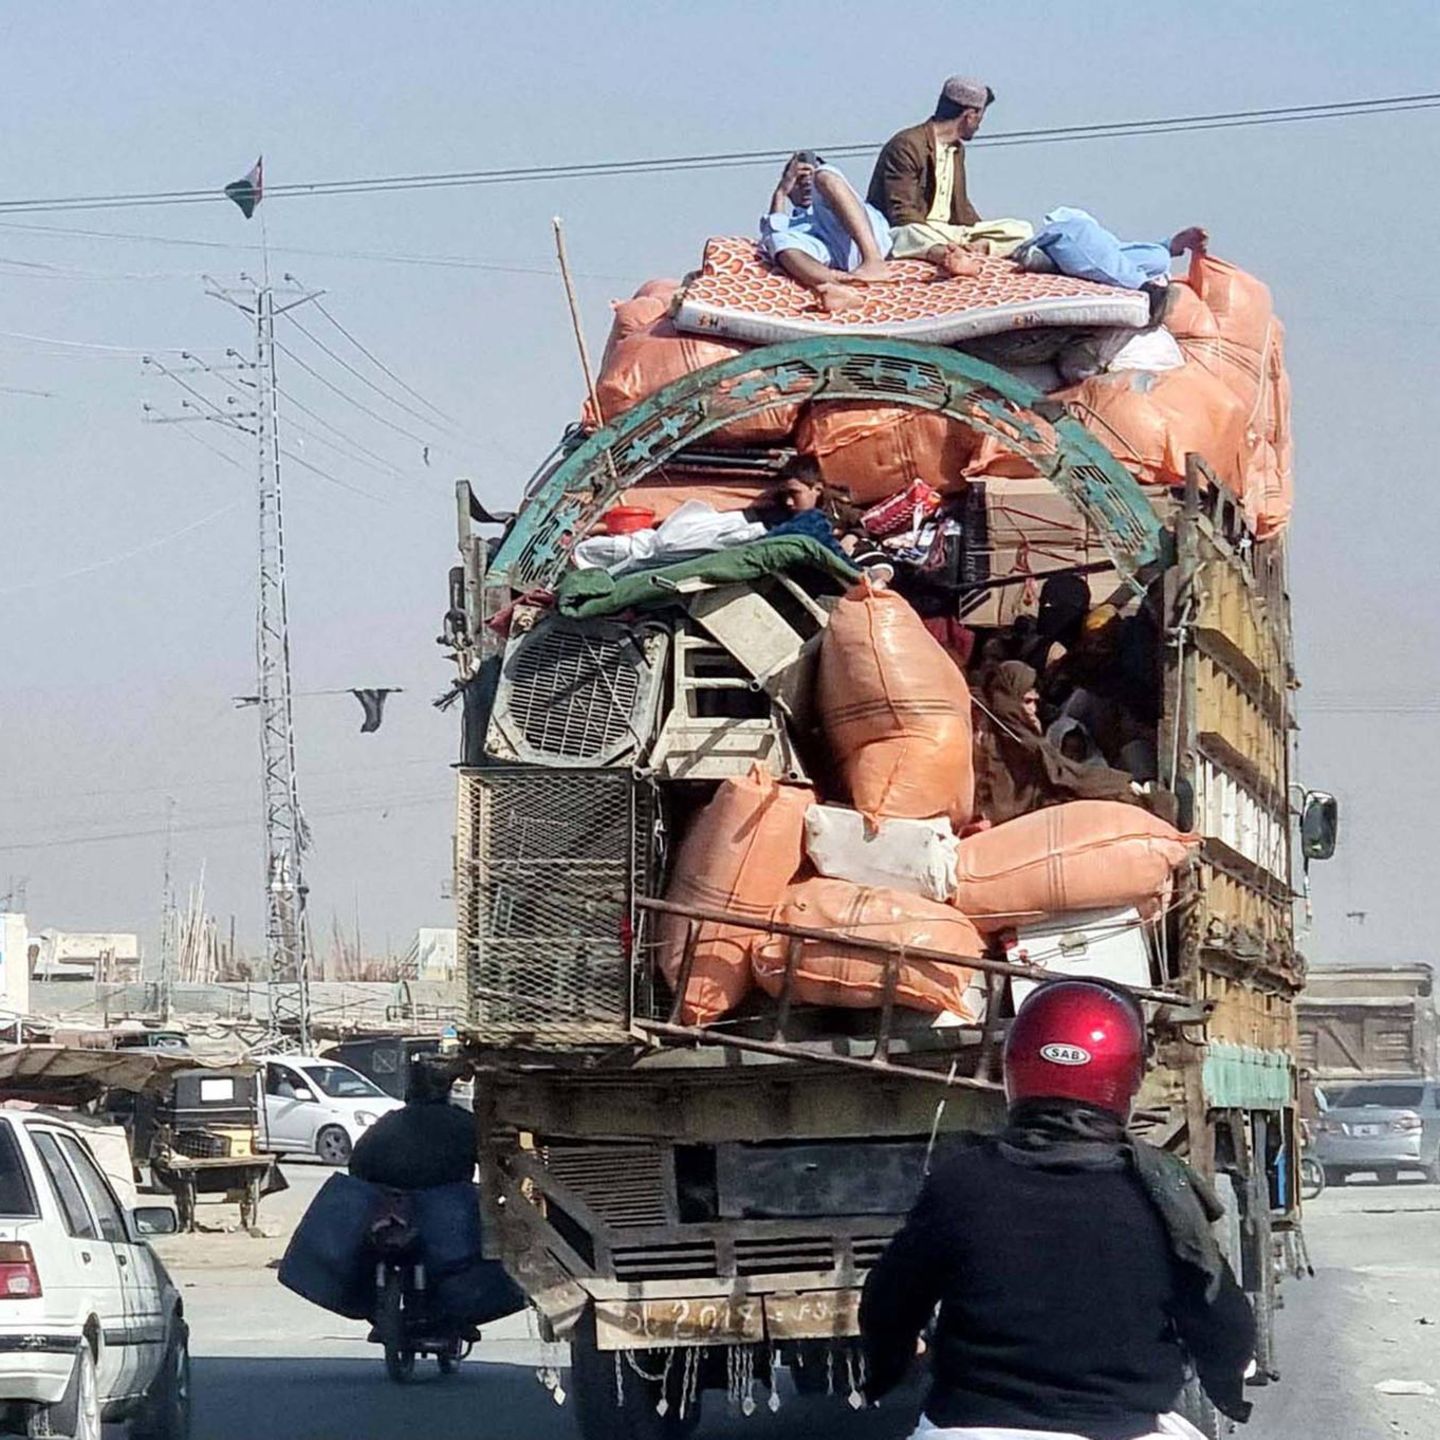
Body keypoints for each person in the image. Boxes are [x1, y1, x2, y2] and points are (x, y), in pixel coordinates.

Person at [860, 979, 1256, 1439]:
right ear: (1126, 1076)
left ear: (1016, 1067)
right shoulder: (1161, 1191)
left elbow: (886, 1306)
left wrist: (888, 1372)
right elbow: (1224, 1324)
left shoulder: (959, 1183)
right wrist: (1227, 1381)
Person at [868, 76, 1033, 272]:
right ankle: (945, 253)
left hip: (948, 232)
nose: (979, 125)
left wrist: (979, 235)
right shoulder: (907, 145)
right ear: (970, 116)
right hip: (915, 230)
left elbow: (962, 207)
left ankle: (979, 249)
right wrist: (934, 237)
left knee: (1022, 230)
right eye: (980, 117)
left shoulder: (956, 150)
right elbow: (901, 212)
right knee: (908, 234)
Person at [972, 659, 1141, 825]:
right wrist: (1118, 786)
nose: (1033, 710)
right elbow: (1063, 776)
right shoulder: (1010, 739)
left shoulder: (1023, 732)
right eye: (1027, 702)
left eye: (1034, 702)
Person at [759, 151, 897, 314]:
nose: (806, 183)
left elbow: (829, 180)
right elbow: (771, 234)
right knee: (777, 240)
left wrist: (817, 174)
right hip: (832, 252)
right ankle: (836, 287)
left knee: (824, 176)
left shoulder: (844, 199)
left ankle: (873, 261)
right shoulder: (794, 225)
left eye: (808, 176)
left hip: (863, 237)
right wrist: (781, 192)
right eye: (799, 179)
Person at [349, 1054, 475, 1191]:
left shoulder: (387, 1123)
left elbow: (357, 1165)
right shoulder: (463, 1123)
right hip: (446, 1205)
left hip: (388, 1205)